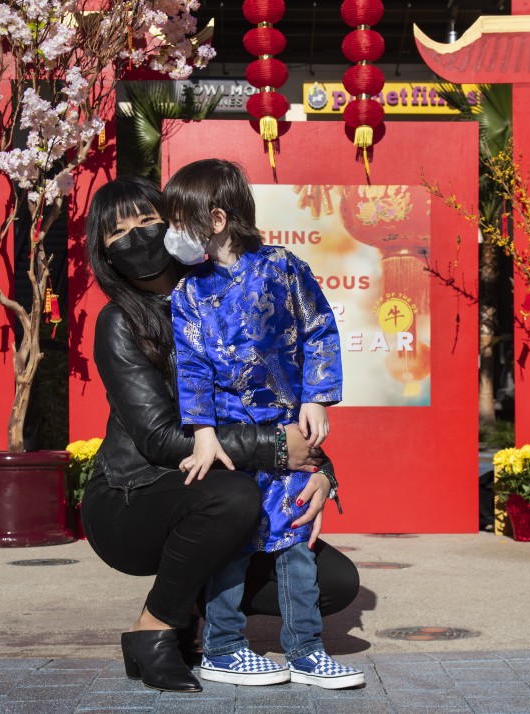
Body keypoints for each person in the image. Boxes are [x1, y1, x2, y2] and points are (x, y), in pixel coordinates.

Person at [80, 175, 359, 694]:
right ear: (105, 253)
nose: (138, 237)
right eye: (119, 232)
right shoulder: (120, 322)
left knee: (335, 581)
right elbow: (161, 438)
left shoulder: (222, 290)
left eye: (148, 220)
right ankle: (157, 629)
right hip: (134, 495)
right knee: (234, 497)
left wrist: (319, 469)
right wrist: (279, 450)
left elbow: (277, 389)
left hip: (216, 482)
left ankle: (202, 604)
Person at [163, 158, 365, 689]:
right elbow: (191, 366)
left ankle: (306, 651)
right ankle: (224, 648)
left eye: (181, 220)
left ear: (217, 219)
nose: (173, 233)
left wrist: (318, 397)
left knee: (296, 539)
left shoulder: (283, 267)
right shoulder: (187, 294)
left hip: (286, 432)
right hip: (231, 442)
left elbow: (319, 328)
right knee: (229, 543)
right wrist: (203, 431)